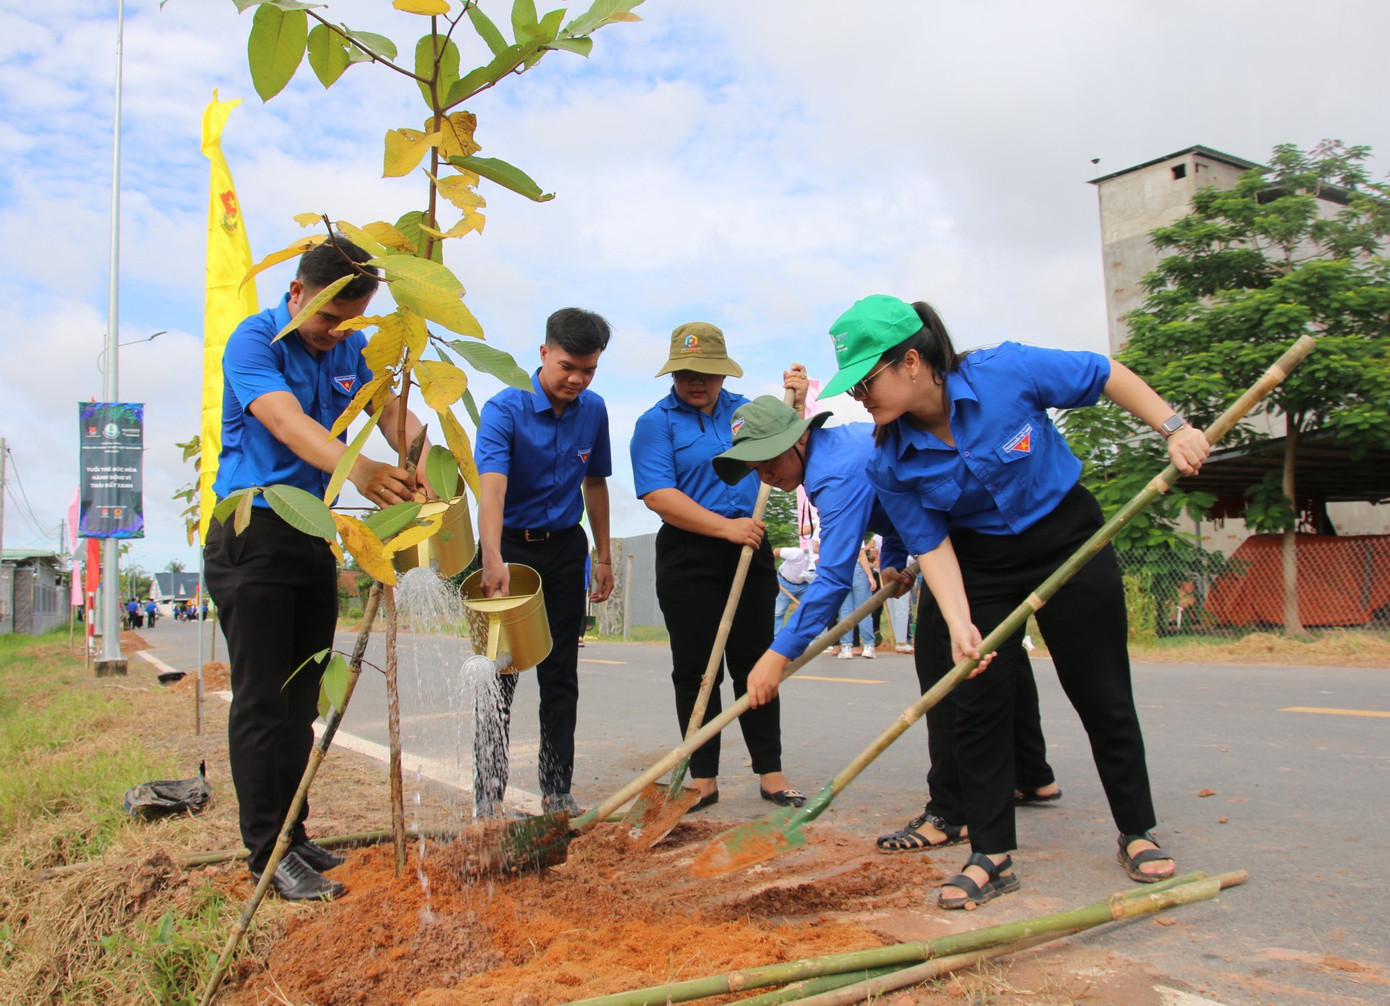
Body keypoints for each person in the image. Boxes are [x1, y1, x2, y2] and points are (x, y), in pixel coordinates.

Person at [816, 293, 1210, 909]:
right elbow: (933, 546)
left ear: (911, 362)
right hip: (981, 561)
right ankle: (992, 854)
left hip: (1067, 536)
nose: (858, 397)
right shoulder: (888, 461)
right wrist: (959, 623)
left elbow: (1104, 374)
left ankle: (1137, 831)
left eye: (865, 380)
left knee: (1101, 692)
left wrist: (1175, 428)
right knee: (975, 699)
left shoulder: (1005, 371)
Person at [718, 395, 1059, 856]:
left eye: (769, 459)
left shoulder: (834, 473)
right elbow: (896, 507)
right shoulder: (842, 448)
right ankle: (1033, 776)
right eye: (754, 468)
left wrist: (778, 654)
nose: (765, 477)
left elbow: (835, 577)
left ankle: (949, 811)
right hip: (977, 530)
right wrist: (894, 564)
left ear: (799, 439)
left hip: (972, 537)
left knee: (944, 663)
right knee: (1002, 652)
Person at [205, 236, 433, 901]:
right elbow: (285, 421)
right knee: (263, 699)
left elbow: (392, 412)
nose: (337, 333)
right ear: (298, 293)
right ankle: (265, 856)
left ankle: (293, 835)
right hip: (254, 530)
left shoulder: (351, 349)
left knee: (302, 696)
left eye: (351, 321)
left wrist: (424, 459)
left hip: (313, 534)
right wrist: (360, 470)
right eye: (330, 319)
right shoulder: (253, 342)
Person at [629, 324, 804, 811]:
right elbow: (659, 495)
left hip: (751, 551)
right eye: (686, 373)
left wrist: (800, 401)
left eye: (707, 372)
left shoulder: (745, 412)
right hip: (690, 555)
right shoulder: (655, 422)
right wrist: (724, 528)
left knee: (755, 663)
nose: (696, 382)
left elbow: (789, 442)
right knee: (697, 670)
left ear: (723, 372)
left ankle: (771, 771)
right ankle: (702, 776)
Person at [474, 308, 615, 819]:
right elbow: (492, 489)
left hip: (563, 552)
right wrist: (492, 558)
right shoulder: (504, 409)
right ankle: (488, 798)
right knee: (500, 677)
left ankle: (557, 791)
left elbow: (595, 483)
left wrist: (603, 555)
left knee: (561, 675)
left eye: (589, 370)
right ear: (543, 353)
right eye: (567, 366)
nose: (577, 379)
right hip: (509, 549)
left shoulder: (593, 410)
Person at [836, 537, 876, 658]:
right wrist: (870, 576)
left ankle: (846, 647)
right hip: (857, 568)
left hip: (841, 570)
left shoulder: (833, 530)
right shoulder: (855, 527)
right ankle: (869, 645)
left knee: (846, 611)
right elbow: (861, 554)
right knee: (863, 610)